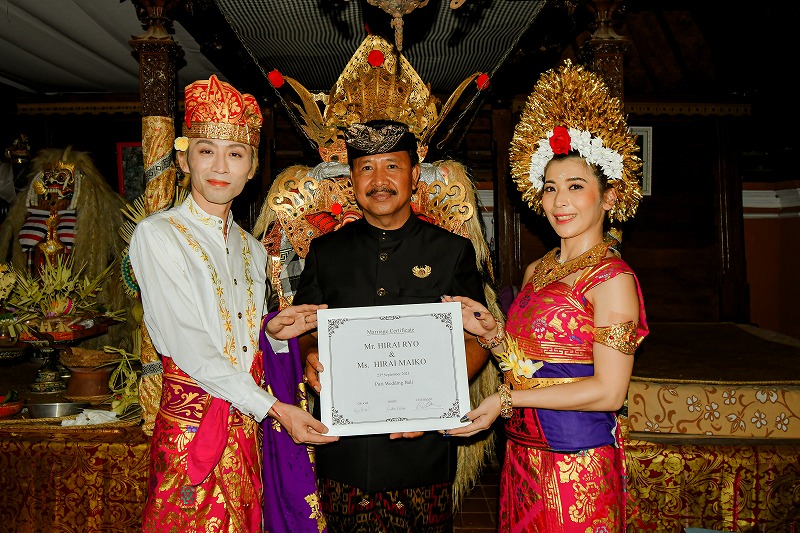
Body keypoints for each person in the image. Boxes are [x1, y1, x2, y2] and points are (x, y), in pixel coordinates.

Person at [443, 61, 649, 531]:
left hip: (576, 461)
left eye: (576, 187)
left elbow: (609, 392)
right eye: (551, 188)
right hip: (522, 453)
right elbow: (527, 364)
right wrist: (491, 333)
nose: (559, 201)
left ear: (609, 197)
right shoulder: (538, 270)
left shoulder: (612, 279)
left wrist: (507, 401)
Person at [129, 74, 337, 533]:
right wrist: (276, 409)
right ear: (184, 159)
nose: (220, 166)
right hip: (191, 432)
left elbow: (245, 342)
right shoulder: (158, 235)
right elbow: (190, 345)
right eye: (206, 150)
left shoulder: (253, 249)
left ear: (251, 167)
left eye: (236, 154)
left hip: (246, 425)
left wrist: (275, 334)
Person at [293, 119, 490, 532]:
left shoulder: (452, 251)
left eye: (392, 167)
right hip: (345, 450)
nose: (378, 180)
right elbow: (307, 326)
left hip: (422, 450)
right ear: (352, 179)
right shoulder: (325, 252)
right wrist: (311, 352)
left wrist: (437, 403)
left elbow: (478, 340)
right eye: (366, 168)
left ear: (414, 175)